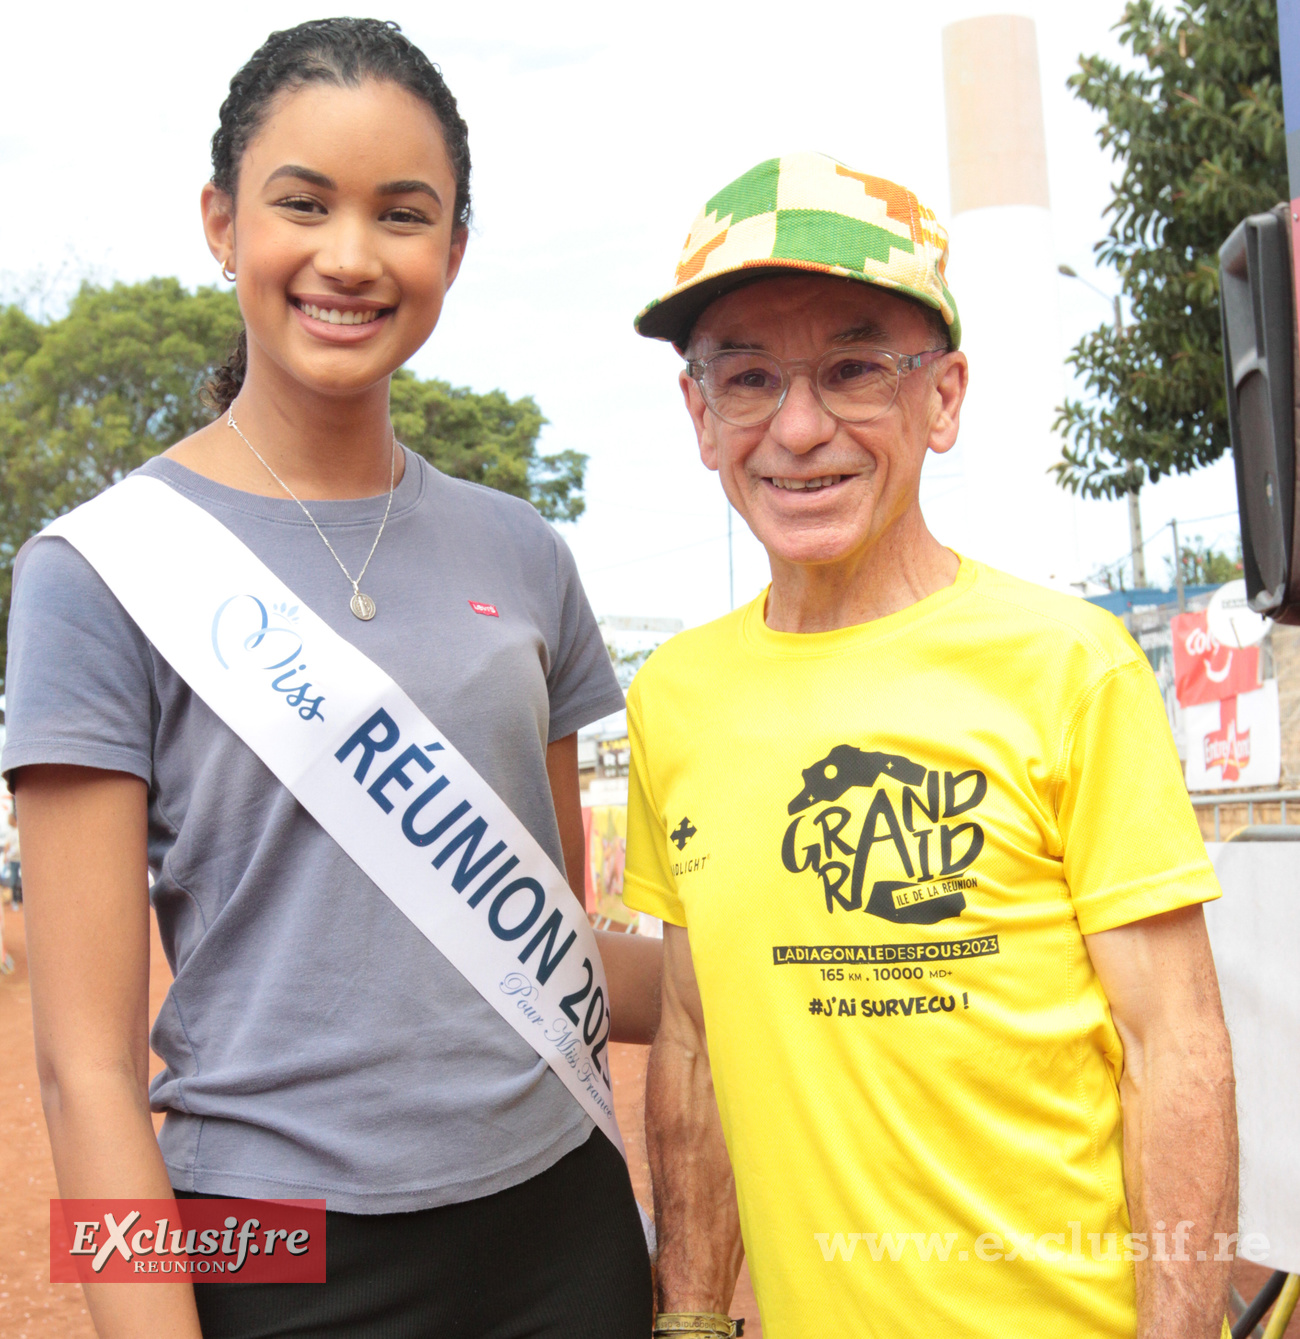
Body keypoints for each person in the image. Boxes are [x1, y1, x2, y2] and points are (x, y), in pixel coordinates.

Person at [4, 19, 656, 1338]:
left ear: (455, 250)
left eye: (403, 214)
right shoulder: (93, 571)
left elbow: (560, 944)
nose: (350, 256)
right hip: (272, 1246)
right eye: (302, 203)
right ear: (220, 220)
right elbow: (81, 1073)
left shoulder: (523, 553)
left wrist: (790, 963)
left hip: (564, 1220)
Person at [623, 153, 1237, 1339]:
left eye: (854, 369)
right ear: (700, 416)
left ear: (942, 398)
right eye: (747, 377)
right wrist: (691, 1315)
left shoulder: (1069, 665)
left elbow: (1176, 1045)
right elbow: (693, 1039)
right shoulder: (674, 697)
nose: (799, 429)